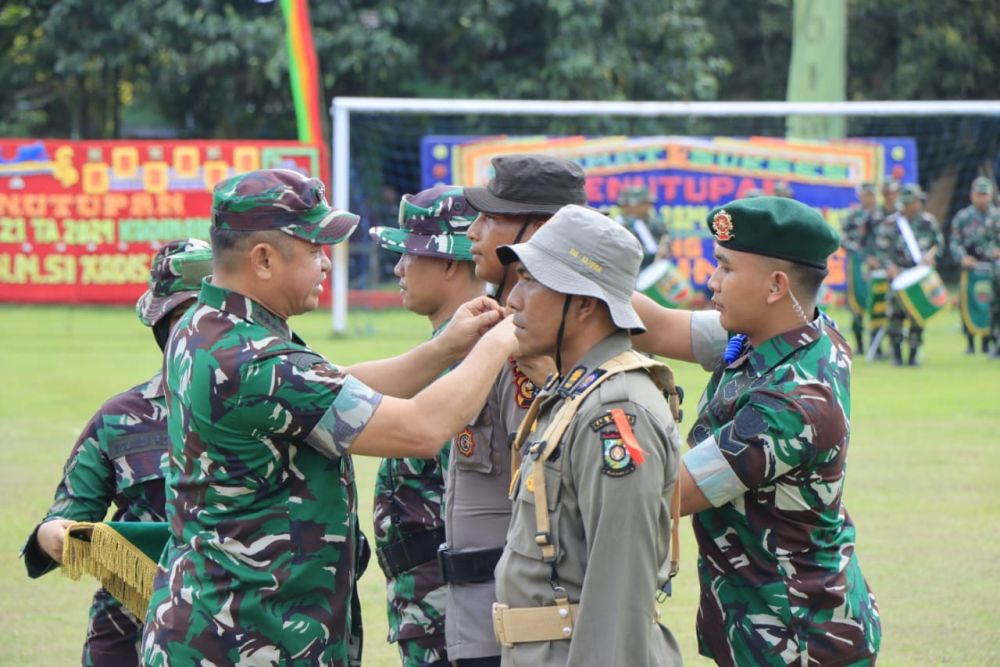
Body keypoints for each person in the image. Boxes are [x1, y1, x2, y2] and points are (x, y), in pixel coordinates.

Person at [141, 169, 518, 667]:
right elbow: (421, 428)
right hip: (248, 639)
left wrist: (443, 349)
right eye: (315, 249)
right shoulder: (253, 360)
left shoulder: (211, 324)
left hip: (228, 623)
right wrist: (503, 337)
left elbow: (334, 384)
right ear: (264, 259)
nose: (327, 263)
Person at [677, 196, 881, 666]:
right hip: (762, 624)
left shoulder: (792, 403)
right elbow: (657, 326)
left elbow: (669, 493)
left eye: (725, 268)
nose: (712, 282)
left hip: (797, 639)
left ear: (775, 286)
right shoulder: (791, 331)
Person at [492, 205, 683, 666]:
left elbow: (619, 590)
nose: (513, 299)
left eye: (531, 280)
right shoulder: (578, 391)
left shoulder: (616, 410)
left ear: (583, 304)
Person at [21, 239, 213, 667]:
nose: (196, 330)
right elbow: (65, 516)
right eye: (182, 315)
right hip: (133, 629)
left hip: (241, 628)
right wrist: (60, 536)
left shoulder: (271, 406)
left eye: (209, 315)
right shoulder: (119, 418)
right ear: (159, 325)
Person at [435, 153, 586, 666]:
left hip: (520, 627)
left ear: (539, 230)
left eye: (490, 217)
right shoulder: (494, 328)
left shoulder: (538, 348)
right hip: (476, 619)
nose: (473, 231)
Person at [368, 185, 485, 666]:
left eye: (408, 255)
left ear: (450, 264)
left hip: (454, 604)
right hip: (430, 599)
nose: (398, 268)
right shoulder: (447, 354)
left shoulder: (475, 364)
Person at [869, 183, 943, 366]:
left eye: (918, 201)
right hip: (898, 277)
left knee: (917, 316)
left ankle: (913, 354)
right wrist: (889, 266)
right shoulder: (891, 224)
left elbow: (939, 245)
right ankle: (896, 355)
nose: (916, 205)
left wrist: (931, 257)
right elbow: (880, 250)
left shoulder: (928, 223)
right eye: (912, 202)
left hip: (919, 276)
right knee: (895, 316)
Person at [950, 176, 1000, 354]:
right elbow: (955, 242)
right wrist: (963, 257)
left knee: (990, 304)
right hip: (970, 269)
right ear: (972, 196)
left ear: (990, 195)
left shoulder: (997, 217)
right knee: (968, 304)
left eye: (985, 195)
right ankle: (970, 342)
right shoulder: (963, 217)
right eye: (979, 195)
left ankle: (989, 340)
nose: (982, 198)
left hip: (993, 269)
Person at [842, 182, 878, 353]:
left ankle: (876, 346)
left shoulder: (882, 215)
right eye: (865, 194)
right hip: (857, 265)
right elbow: (843, 239)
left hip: (878, 265)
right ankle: (860, 345)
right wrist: (860, 253)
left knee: (878, 303)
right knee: (856, 304)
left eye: (870, 194)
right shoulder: (853, 215)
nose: (868, 197)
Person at [613, 185, 668, 267]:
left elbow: (665, 241)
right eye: (643, 204)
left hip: (652, 269)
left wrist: (664, 248)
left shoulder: (656, 224)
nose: (647, 207)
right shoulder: (618, 225)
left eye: (647, 203)